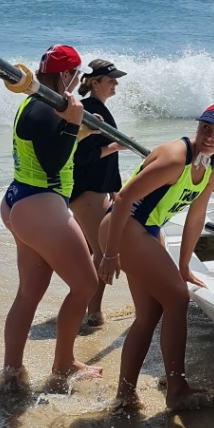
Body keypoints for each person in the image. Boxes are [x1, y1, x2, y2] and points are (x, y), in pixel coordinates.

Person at [105, 102, 214, 412]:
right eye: (206, 127)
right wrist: (109, 255)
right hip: (123, 227)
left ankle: (124, 396)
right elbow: (123, 199)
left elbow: (196, 216)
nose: (210, 136)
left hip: (147, 231)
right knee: (177, 300)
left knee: (149, 315)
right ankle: (176, 389)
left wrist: (183, 265)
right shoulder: (175, 158)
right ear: (197, 126)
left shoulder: (212, 169)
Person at [0, 43, 103, 390]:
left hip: (21, 202)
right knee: (86, 285)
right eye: (75, 75)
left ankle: (12, 372)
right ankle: (63, 365)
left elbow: (52, 143)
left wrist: (83, 130)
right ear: (64, 75)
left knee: (30, 292)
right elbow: (52, 162)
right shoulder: (46, 108)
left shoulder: (36, 103)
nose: (76, 81)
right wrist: (74, 125)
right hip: (41, 205)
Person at [69, 58, 127, 331]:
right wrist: (115, 146)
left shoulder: (97, 108)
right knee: (103, 252)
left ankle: (89, 308)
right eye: (111, 79)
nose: (115, 83)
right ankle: (93, 312)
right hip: (86, 190)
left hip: (97, 189)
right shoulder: (92, 110)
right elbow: (83, 155)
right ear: (95, 83)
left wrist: (115, 187)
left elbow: (103, 160)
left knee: (94, 250)